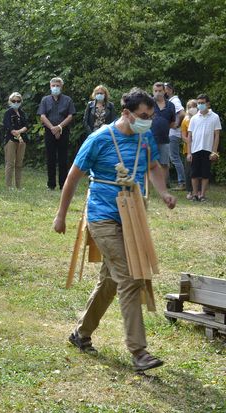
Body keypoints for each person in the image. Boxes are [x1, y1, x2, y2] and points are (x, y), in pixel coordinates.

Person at [53, 88, 176, 372]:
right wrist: (61, 216)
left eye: (151, 115)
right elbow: (73, 176)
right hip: (102, 216)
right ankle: (139, 351)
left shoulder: (145, 138)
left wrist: (163, 192)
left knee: (111, 279)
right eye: (143, 116)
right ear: (126, 113)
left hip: (133, 216)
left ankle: (80, 334)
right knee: (131, 277)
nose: (148, 120)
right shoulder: (99, 139)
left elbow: (154, 167)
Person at [37, 77, 76, 190]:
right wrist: (53, 128)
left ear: (61, 87)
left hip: (64, 131)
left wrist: (59, 127)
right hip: (49, 132)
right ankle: (51, 185)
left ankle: (63, 185)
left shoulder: (68, 100)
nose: (55, 88)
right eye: (53, 85)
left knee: (63, 159)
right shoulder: (45, 100)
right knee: (50, 158)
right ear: (50, 86)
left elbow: (70, 116)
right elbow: (42, 116)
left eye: (57, 86)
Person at [186, 94, 221, 202]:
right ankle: (195, 194)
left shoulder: (215, 117)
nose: (200, 105)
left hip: (207, 149)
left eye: (203, 103)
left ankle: (202, 195)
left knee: (205, 173)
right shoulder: (194, 118)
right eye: (199, 103)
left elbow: (217, 135)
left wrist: (214, 152)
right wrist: (189, 152)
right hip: (195, 149)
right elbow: (189, 136)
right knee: (194, 173)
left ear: (208, 104)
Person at [150, 82, 177, 188]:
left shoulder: (171, 105)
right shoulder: (149, 104)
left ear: (164, 91)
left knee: (164, 163)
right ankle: (150, 185)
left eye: (160, 91)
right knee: (148, 162)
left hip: (164, 139)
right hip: (149, 139)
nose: (157, 93)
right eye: (155, 91)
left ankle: (165, 185)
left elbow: (172, 123)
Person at [2, 92, 29, 190]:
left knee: (19, 164)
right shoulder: (8, 113)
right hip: (10, 140)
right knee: (10, 163)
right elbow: (8, 127)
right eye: (14, 101)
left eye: (18, 101)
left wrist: (19, 132)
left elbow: (26, 126)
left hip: (22, 141)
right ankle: (9, 186)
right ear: (10, 101)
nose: (16, 102)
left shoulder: (22, 113)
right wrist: (18, 134)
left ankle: (18, 186)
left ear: (21, 102)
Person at [164, 83, 187, 190]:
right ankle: (166, 183)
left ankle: (182, 183)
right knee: (170, 158)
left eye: (166, 89)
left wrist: (176, 125)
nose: (165, 91)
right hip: (170, 134)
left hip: (174, 134)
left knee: (175, 158)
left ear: (171, 90)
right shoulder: (169, 102)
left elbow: (182, 113)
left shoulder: (174, 100)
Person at [181, 99, 198, 199]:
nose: (192, 108)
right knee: (188, 171)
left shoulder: (201, 118)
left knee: (198, 170)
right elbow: (183, 136)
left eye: (194, 106)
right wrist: (190, 143)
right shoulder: (185, 120)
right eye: (190, 106)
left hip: (199, 148)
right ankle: (189, 191)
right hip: (188, 149)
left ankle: (198, 191)